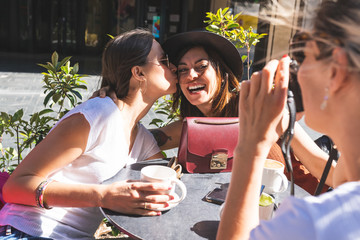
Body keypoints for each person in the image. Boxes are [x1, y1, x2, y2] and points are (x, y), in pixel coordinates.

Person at [96, 31, 334, 192]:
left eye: (201, 66)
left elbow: (319, 165)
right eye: (182, 70)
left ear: (221, 73)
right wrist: (115, 103)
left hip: (305, 206)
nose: (191, 75)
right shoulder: (193, 126)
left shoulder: (258, 104)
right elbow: (143, 139)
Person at [0, 28, 178, 239]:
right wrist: (102, 196)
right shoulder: (97, 115)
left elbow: (169, 186)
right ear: (138, 73)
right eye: (164, 60)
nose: (174, 67)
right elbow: (15, 186)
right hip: (26, 231)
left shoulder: (142, 141)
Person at [217, 0, 360, 239]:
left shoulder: (311, 223)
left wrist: (251, 148)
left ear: (336, 72)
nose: (297, 71)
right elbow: (341, 178)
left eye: (305, 55)